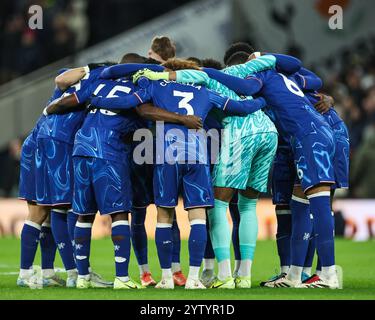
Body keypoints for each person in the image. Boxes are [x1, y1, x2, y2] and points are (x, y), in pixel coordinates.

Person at [92, 58, 269, 289]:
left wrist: (96, 100)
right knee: (198, 216)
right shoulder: (205, 91)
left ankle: (166, 277)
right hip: (197, 155)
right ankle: (194, 278)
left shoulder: (156, 84)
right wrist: (265, 99)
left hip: (166, 154)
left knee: (164, 216)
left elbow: (139, 107)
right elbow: (241, 107)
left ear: (169, 71)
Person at [45, 66, 202, 289]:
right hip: (108, 151)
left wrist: (48, 111)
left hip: (81, 148)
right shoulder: (139, 89)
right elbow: (146, 113)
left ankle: (81, 277)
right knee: (119, 214)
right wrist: (181, 119)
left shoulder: (99, 84)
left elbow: (65, 102)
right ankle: (122, 278)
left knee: (83, 215)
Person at [202, 52, 341, 289]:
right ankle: (295, 275)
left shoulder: (263, 74)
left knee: (319, 206)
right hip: (316, 133)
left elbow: (243, 85)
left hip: (307, 137)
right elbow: (313, 80)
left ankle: (328, 274)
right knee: (301, 206)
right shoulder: (289, 77)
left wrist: (206, 72)